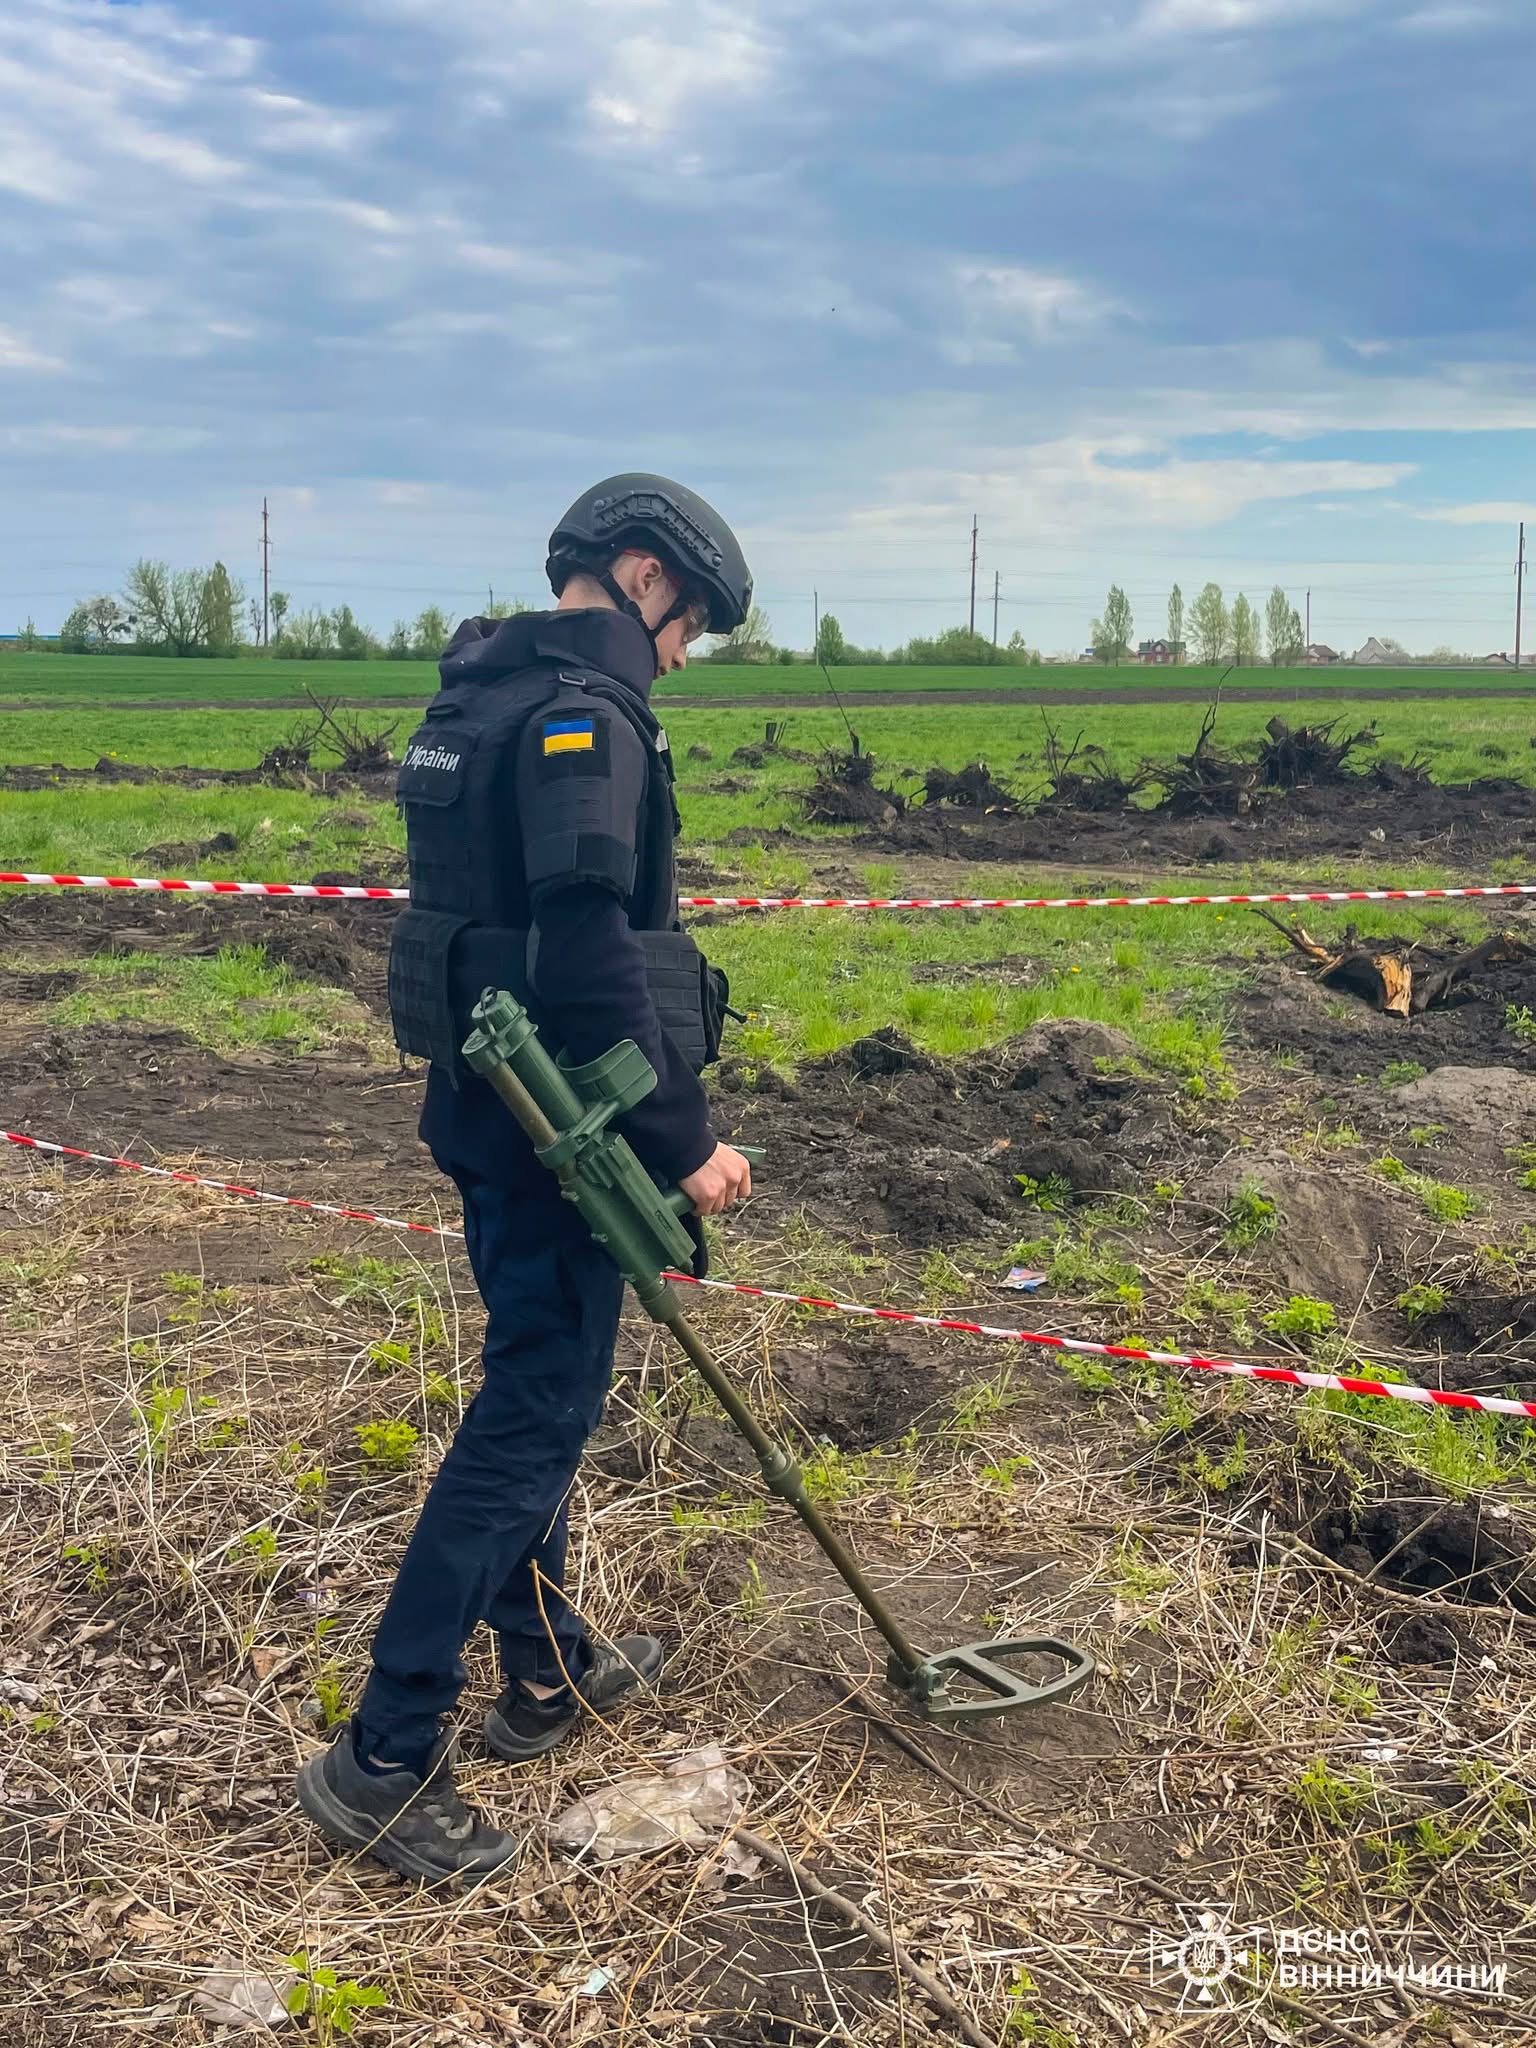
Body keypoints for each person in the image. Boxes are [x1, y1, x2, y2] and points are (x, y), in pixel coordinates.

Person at [297, 474, 755, 1882]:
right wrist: (686, 1140)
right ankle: (385, 1754)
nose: (685, 655)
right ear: (642, 573)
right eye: (691, 624)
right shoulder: (584, 715)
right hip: (561, 1129)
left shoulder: (480, 694)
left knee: (536, 1394)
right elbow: (587, 942)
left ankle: (546, 1670)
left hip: (486, 1109)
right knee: (533, 1418)